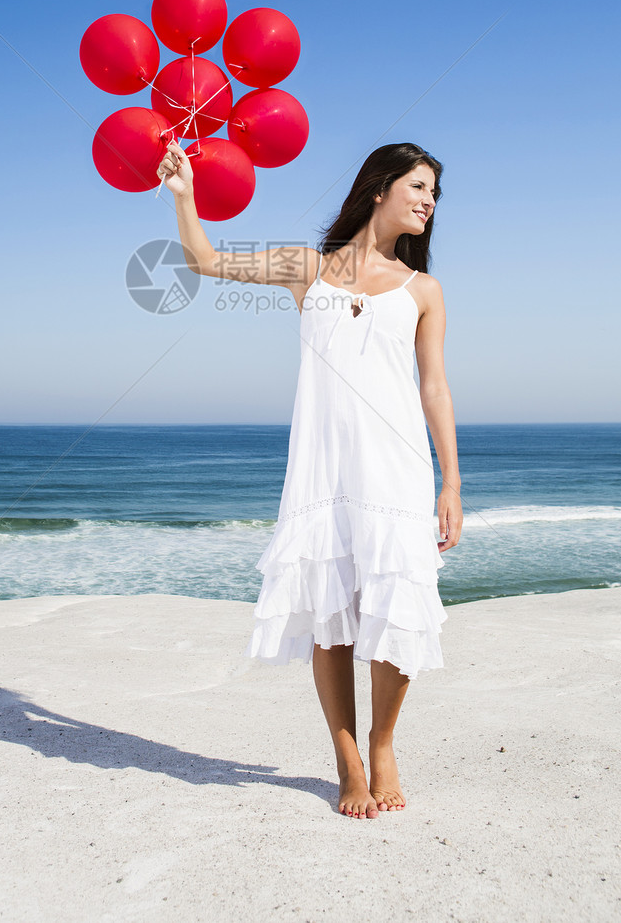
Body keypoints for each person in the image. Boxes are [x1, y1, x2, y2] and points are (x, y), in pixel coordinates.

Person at [156, 138, 462, 820]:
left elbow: (435, 388)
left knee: (399, 610)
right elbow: (205, 263)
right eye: (418, 186)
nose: (428, 201)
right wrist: (185, 197)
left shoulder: (424, 290)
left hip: (398, 467)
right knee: (332, 617)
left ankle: (383, 744)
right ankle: (347, 760)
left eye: (435, 194)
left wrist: (451, 485)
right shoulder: (308, 267)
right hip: (324, 469)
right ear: (379, 187)